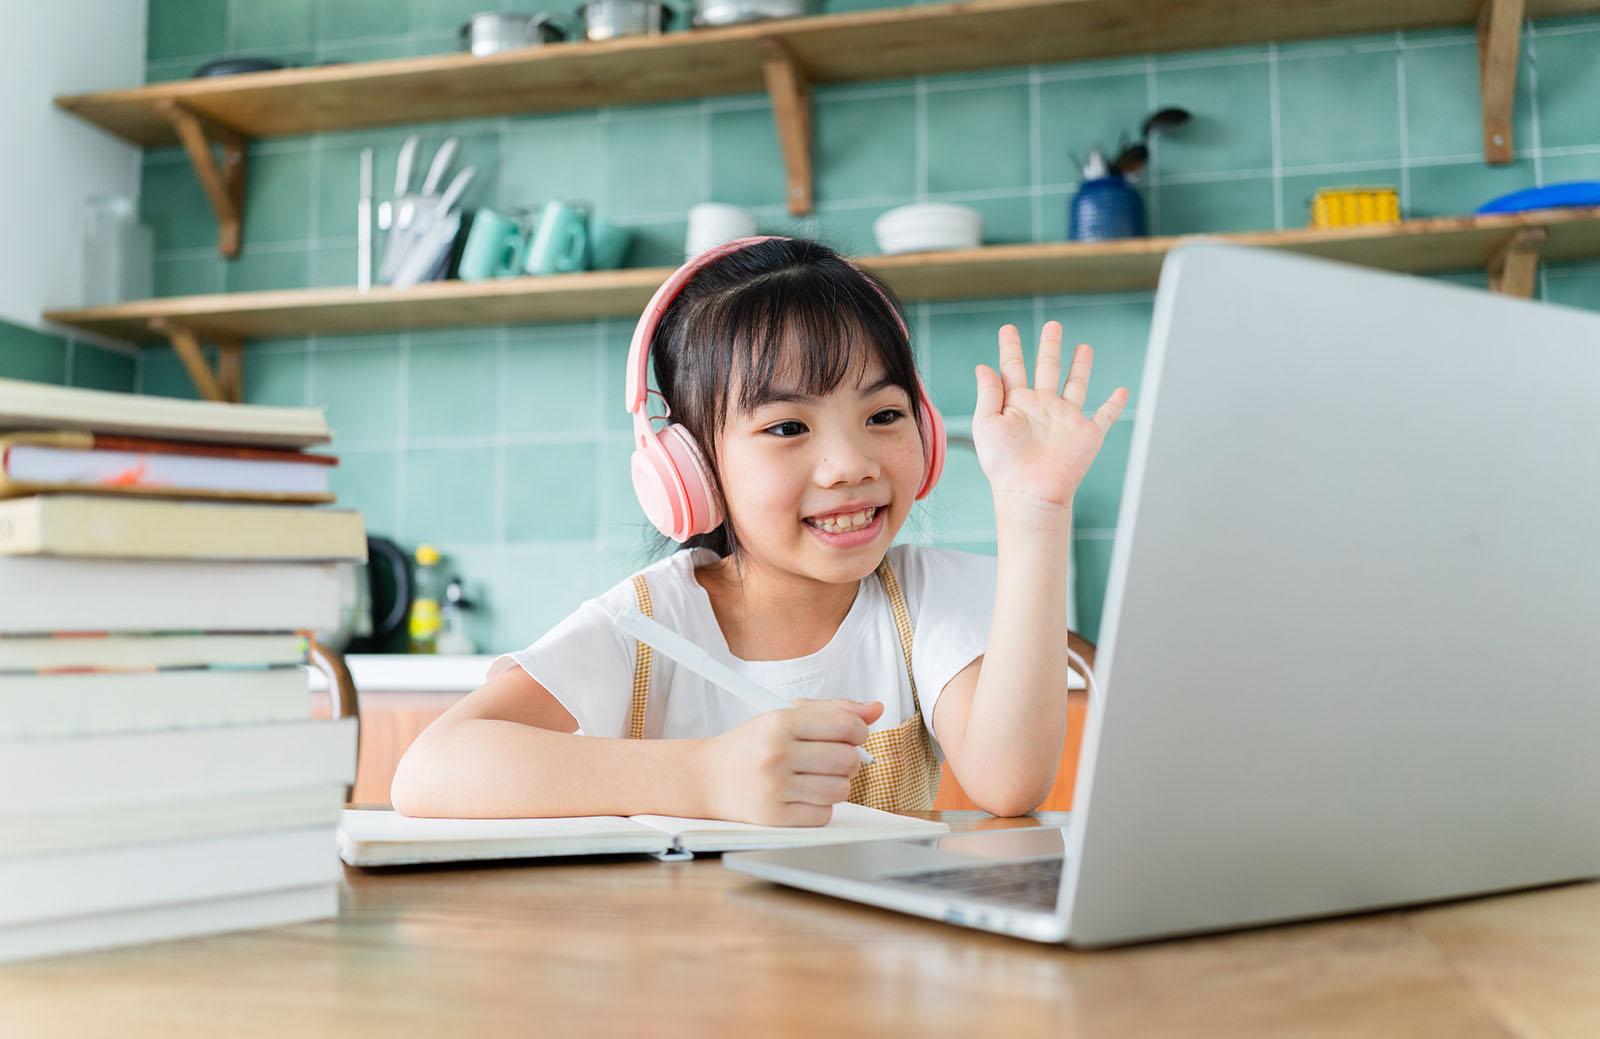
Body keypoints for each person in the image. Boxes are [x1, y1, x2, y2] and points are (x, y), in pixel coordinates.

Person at [391, 236, 1127, 825]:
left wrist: (1035, 511)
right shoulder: (649, 624)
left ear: (928, 433)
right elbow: (432, 767)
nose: (849, 464)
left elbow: (1010, 781)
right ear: (693, 468)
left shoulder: (926, 598)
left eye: (883, 415)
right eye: (786, 426)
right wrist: (705, 776)